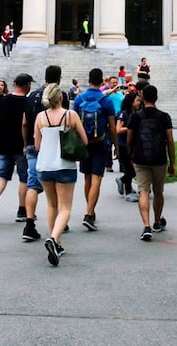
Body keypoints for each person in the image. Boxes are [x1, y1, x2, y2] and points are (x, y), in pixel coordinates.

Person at [35, 82, 87, 266]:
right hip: (65, 164)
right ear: (62, 97)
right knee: (65, 208)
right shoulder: (70, 115)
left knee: (51, 205)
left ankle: (56, 242)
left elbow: (37, 145)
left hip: (44, 165)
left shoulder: (40, 117)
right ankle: (54, 239)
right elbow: (84, 140)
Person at [22, 64, 68, 243]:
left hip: (34, 144)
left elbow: (25, 123)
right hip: (54, 147)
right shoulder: (59, 96)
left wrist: (26, 143)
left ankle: (29, 223)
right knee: (57, 184)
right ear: (59, 78)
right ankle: (59, 221)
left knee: (33, 184)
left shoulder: (32, 95)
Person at [127, 84, 175, 241]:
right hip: (159, 159)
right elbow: (170, 140)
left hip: (140, 158)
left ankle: (146, 225)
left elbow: (129, 138)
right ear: (156, 97)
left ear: (142, 97)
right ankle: (156, 221)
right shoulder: (164, 116)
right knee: (159, 191)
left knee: (143, 191)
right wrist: (172, 162)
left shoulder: (135, 116)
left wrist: (130, 154)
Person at [73, 67, 117, 232]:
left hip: (84, 143)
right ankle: (89, 213)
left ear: (89, 79)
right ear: (101, 82)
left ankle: (90, 210)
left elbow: (74, 121)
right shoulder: (105, 101)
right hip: (100, 142)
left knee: (87, 178)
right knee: (97, 178)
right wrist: (116, 147)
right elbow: (112, 127)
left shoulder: (79, 98)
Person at [0, 73, 30, 224]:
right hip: (20, 144)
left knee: (2, 175)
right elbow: (25, 123)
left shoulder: (3, 100)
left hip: (4, 143)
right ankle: (22, 209)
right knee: (24, 177)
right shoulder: (27, 102)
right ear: (26, 86)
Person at [115, 91, 140, 202]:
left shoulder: (137, 113)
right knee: (130, 169)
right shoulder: (123, 114)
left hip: (134, 145)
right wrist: (131, 127)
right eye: (137, 101)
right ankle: (127, 190)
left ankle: (124, 182)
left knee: (133, 168)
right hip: (123, 145)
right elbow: (118, 129)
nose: (139, 102)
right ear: (131, 102)